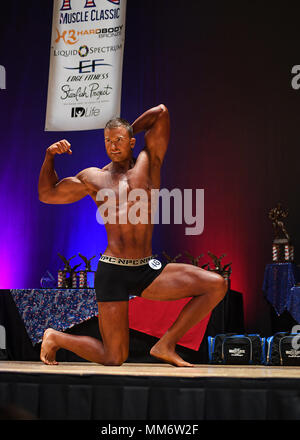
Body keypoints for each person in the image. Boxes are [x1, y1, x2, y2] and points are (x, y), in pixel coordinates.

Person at [38, 104, 227, 367]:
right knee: (114, 357)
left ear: (131, 142)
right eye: (108, 141)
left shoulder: (149, 163)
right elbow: (47, 194)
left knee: (216, 285)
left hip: (146, 269)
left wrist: (127, 129)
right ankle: (55, 337)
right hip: (113, 271)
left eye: (119, 141)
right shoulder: (94, 178)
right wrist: (50, 156)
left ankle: (166, 344)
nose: (113, 146)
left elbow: (161, 113)